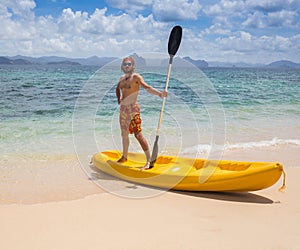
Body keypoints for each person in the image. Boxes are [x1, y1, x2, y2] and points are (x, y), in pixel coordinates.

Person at [116, 56, 168, 170]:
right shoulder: (121, 78)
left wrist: (160, 94)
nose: (127, 66)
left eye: (129, 64)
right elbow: (118, 88)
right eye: (125, 64)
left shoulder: (136, 77)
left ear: (133, 66)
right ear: (122, 66)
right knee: (124, 134)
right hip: (123, 110)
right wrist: (119, 99)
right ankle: (125, 157)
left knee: (138, 135)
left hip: (133, 109)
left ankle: (148, 161)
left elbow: (147, 87)